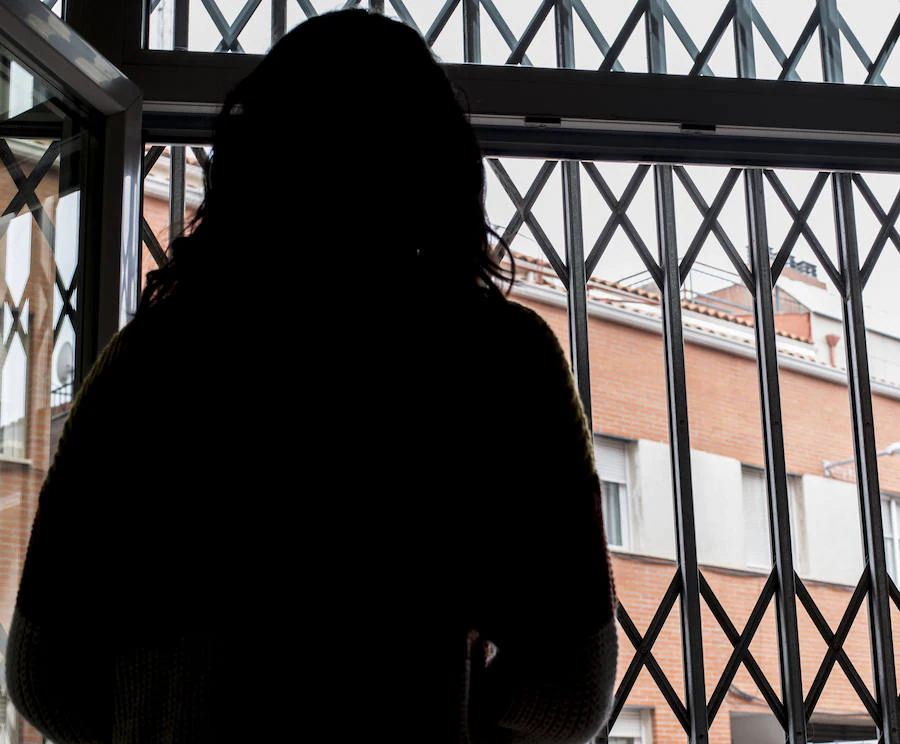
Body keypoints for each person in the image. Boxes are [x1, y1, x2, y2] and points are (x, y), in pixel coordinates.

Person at [6, 9, 617, 744]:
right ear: (435, 165)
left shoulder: (154, 359)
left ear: (253, 159)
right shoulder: (498, 360)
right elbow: (572, 689)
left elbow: (43, 672)